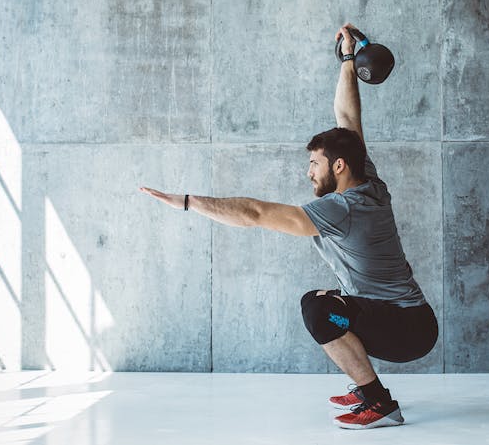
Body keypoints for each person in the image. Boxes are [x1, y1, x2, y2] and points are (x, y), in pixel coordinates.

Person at [140, 23, 438, 429]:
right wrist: (348, 59)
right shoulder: (366, 179)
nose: (308, 173)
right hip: (411, 319)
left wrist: (189, 202)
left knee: (320, 312)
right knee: (318, 301)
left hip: (408, 328)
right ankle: (366, 387)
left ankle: (379, 403)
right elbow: (348, 117)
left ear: (338, 166)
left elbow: (256, 214)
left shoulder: (342, 208)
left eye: (314, 164)